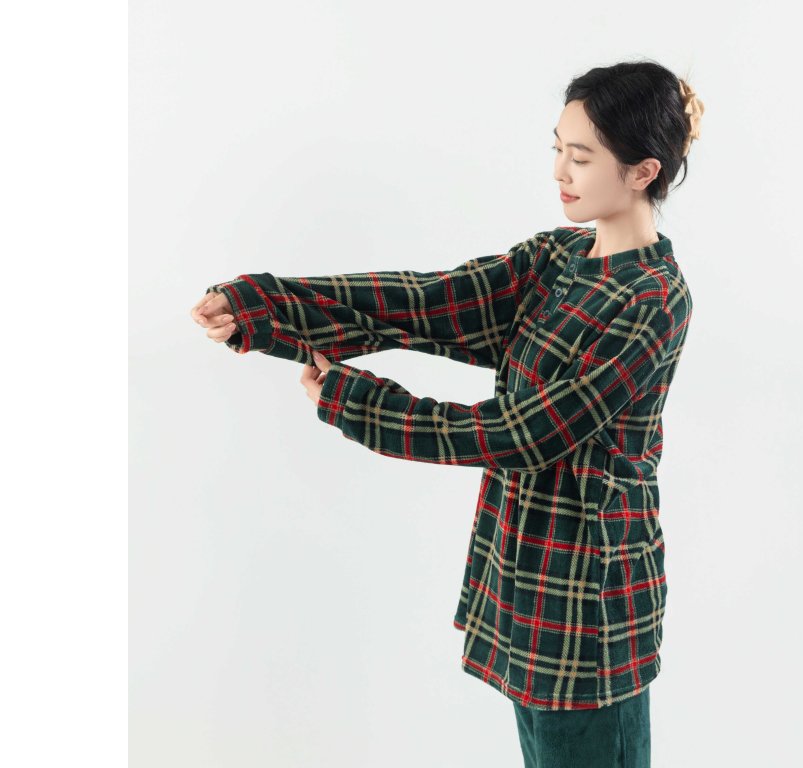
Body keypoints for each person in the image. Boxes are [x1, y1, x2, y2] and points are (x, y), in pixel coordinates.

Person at [190, 58, 702, 768]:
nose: (560, 170)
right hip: (526, 574)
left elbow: (523, 434)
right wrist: (265, 307)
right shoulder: (557, 260)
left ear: (643, 171)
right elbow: (429, 302)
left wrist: (360, 404)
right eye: (558, 147)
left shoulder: (653, 299)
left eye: (581, 157)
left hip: (591, 598)